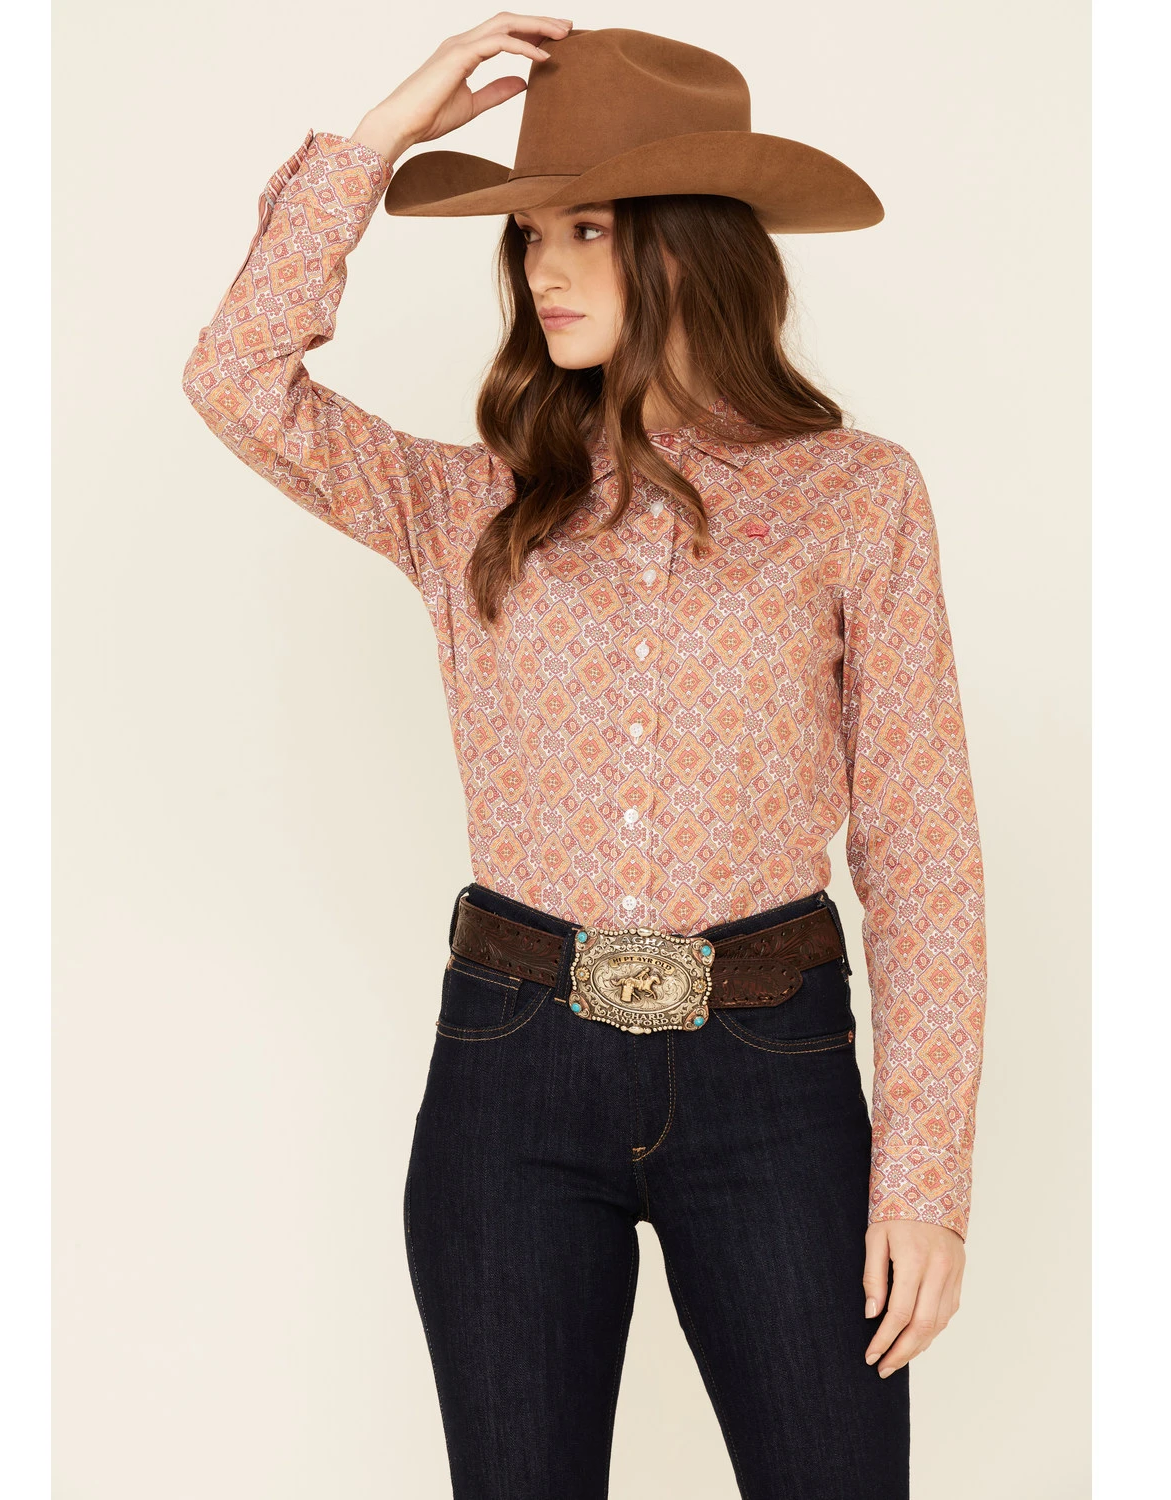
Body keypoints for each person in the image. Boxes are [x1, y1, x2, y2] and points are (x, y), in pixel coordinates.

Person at [182, 17, 987, 1499]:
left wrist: (925, 1177)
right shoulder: (468, 505)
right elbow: (239, 379)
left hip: (775, 1074)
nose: (542, 269)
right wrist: (380, 136)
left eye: (589, 230)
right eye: (531, 235)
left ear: (691, 246)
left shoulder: (855, 498)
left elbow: (920, 840)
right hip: (512, 1073)